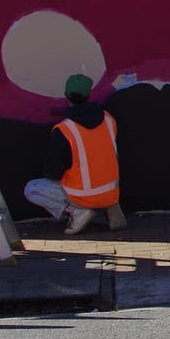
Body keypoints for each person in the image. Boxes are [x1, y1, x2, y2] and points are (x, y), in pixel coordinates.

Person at [22, 73, 126, 235]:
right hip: (111, 192)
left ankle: (77, 212)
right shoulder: (108, 119)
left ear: (67, 95)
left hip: (81, 196)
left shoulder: (64, 129)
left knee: (31, 189)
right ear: (88, 95)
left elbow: (53, 172)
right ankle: (111, 208)